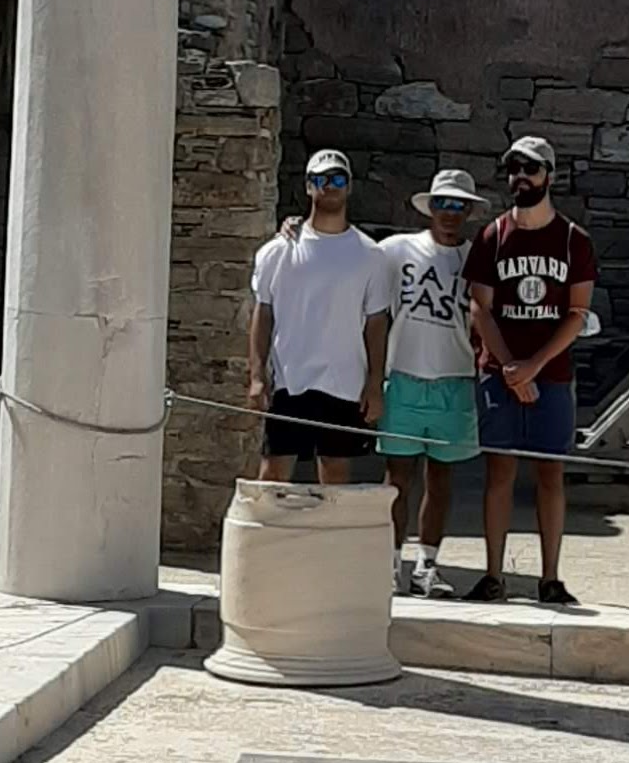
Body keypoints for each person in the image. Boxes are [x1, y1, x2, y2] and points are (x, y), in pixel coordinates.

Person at [464, 134, 595, 606]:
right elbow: (480, 308)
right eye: (514, 168)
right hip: (500, 371)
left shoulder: (573, 240)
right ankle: (493, 574)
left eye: (531, 168)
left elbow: (577, 312)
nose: (521, 176)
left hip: (551, 374)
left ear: (549, 176)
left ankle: (550, 578)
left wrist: (533, 367)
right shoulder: (493, 236)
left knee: (550, 473)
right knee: (499, 472)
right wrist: (508, 367)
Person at [248, 149, 394, 481]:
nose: (330, 186)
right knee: (272, 474)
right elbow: (263, 312)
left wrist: (374, 384)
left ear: (349, 186)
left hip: (345, 383)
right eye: (321, 179)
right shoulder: (277, 251)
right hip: (289, 381)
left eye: (338, 179)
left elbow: (376, 322)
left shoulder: (371, 255)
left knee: (335, 477)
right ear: (308, 186)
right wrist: (256, 375)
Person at [373, 168, 485, 595]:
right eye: (443, 203)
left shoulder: (478, 258)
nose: (450, 212)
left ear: (469, 211)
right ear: (430, 207)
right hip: (404, 375)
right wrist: (295, 227)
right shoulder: (396, 249)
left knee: (441, 480)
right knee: (396, 480)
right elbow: (346, 254)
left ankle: (427, 565)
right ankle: (390, 564)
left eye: (459, 205)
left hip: (455, 377)